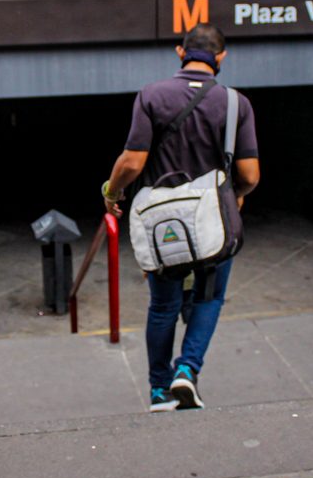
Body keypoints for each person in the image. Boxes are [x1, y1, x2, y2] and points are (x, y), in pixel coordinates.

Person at [101, 23, 261, 412]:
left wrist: (111, 191)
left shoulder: (151, 96)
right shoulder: (236, 103)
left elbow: (132, 162)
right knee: (209, 297)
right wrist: (236, 196)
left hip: (164, 224)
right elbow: (251, 176)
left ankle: (158, 390)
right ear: (221, 58)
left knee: (163, 305)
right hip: (213, 221)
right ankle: (187, 370)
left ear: (180, 52)